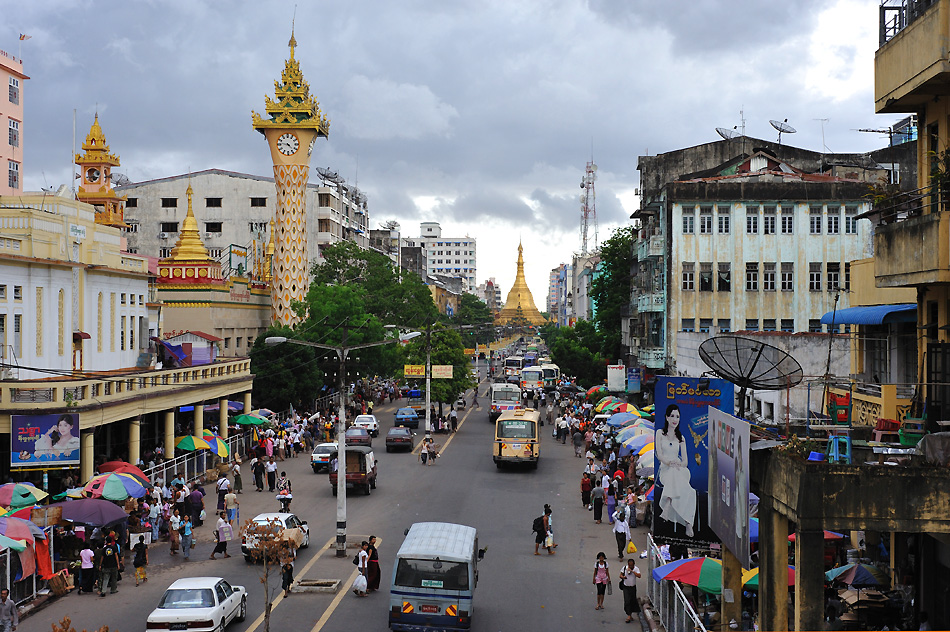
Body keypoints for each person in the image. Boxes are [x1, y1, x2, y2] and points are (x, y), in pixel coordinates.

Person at [655, 404, 696, 537]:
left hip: (680, 470)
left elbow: (685, 462)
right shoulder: (660, 434)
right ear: (667, 417)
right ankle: (688, 522)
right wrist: (668, 462)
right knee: (689, 490)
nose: (675, 419)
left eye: (677, 416)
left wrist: (678, 464)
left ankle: (667, 505)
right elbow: (659, 454)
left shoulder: (681, 438)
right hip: (665, 470)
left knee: (685, 483)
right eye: (672, 416)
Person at [619, 558, 642, 623]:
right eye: (629, 565)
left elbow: (639, 576)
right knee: (627, 600)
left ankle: (630, 614)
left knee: (632, 600)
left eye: (631, 566)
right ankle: (628, 615)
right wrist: (623, 577)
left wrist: (632, 571)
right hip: (626, 587)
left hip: (633, 587)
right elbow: (620, 575)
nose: (630, 567)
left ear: (634, 565)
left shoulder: (636, 569)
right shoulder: (624, 568)